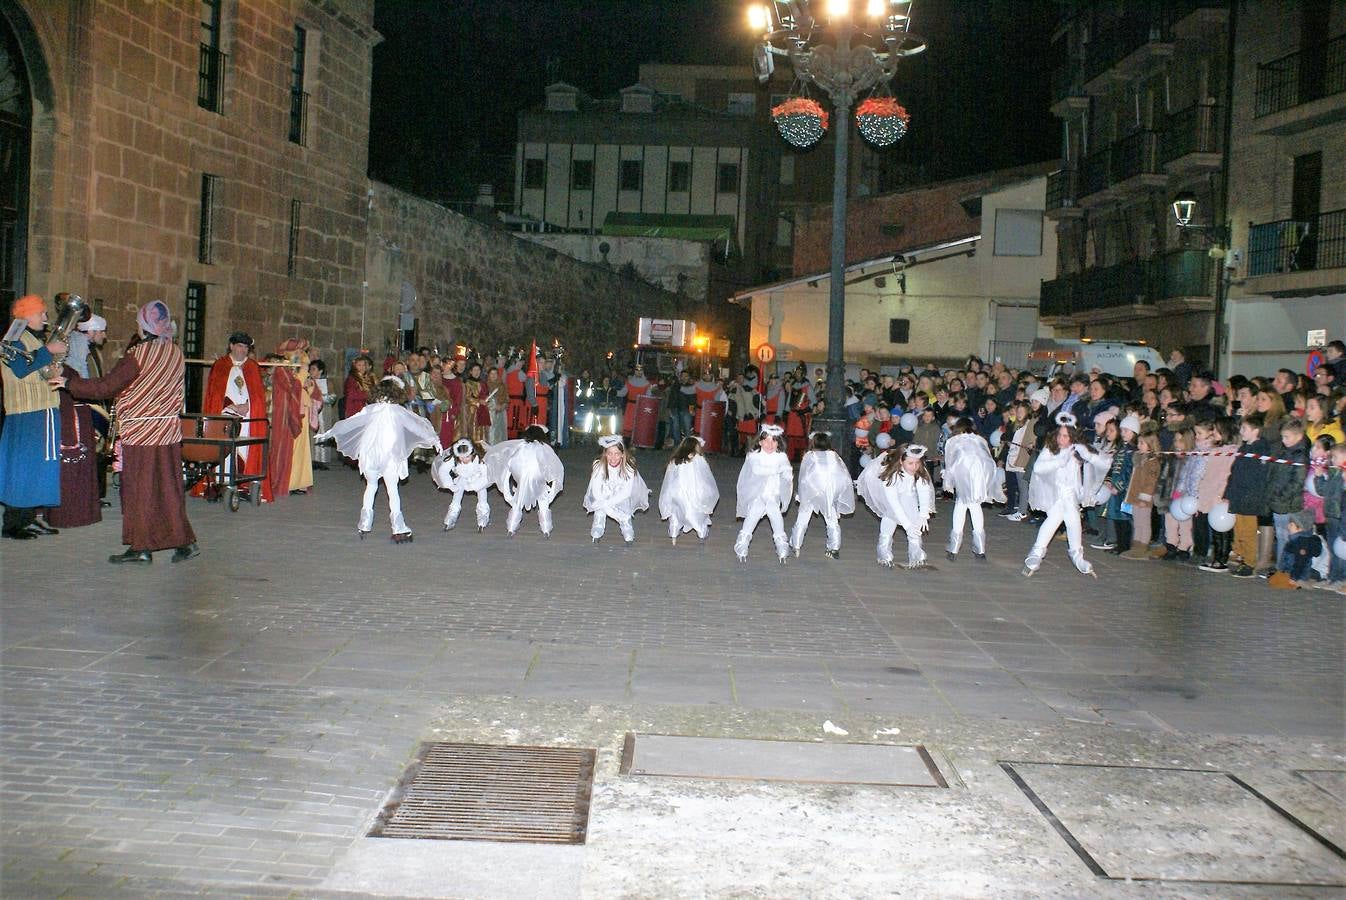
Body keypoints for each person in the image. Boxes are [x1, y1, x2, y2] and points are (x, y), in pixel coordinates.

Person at [56, 300, 198, 564]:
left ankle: (141, 547)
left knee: (139, 490)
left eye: (138, 322)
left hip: (142, 433)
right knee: (169, 489)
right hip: (167, 431)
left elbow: (106, 387)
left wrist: (68, 382)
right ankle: (185, 542)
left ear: (145, 325)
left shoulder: (138, 355)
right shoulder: (176, 352)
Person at [316, 375, 441, 544]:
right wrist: (434, 440)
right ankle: (398, 528)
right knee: (392, 490)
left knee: (371, 485)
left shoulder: (372, 409)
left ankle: (365, 523)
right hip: (390, 453)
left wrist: (330, 432)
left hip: (371, 453)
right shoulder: (398, 411)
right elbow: (417, 426)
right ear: (396, 393)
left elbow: (351, 422)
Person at [0, 295, 65, 539]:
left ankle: (26, 520)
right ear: (28, 315)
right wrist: (49, 350)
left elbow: (36, 369)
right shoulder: (14, 337)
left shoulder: (28, 337)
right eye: (42, 314)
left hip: (37, 410)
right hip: (29, 413)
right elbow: (19, 368)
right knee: (24, 469)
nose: (46, 319)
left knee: (34, 468)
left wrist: (54, 368)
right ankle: (14, 525)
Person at [1021, 412, 1111, 578]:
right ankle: (1037, 553)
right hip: (1055, 494)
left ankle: (1076, 556)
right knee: (1054, 519)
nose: (1062, 439)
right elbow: (1039, 468)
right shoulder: (1051, 449)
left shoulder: (1077, 451)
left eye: (1066, 436)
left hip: (1070, 495)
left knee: (1073, 520)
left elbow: (1104, 462)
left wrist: (1088, 455)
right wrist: (1058, 461)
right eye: (1060, 435)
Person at [199, 332, 270, 503]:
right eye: (239, 346)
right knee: (225, 450)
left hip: (247, 417)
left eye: (246, 347)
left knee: (245, 447)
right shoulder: (220, 365)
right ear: (231, 346)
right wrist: (229, 405)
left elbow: (258, 396)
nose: (242, 350)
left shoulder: (252, 366)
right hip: (225, 415)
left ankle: (243, 484)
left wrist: (248, 405)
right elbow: (214, 394)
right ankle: (222, 483)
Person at [857, 443, 936, 569]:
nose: (914, 466)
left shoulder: (919, 472)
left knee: (915, 524)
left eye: (917, 463)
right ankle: (884, 553)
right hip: (892, 503)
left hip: (909, 498)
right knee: (890, 521)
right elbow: (894, 503)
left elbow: (924, 492)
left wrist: (923, 515)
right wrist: (907, 525)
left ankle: (916, 553)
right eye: (910, 463)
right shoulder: (890, 476)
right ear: (901, 461)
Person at [942, 418, 1003, 562]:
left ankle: (954, 547)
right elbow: (988, 458)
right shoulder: (980, 440)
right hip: (979, 474)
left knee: (962, 505)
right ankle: (980, 549)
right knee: (975, 506)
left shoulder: (954, 441)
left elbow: (950, 461)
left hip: (963, 472)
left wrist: (948, 481)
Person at [489, 423, 565, 537]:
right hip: (538, 476)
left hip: (522, 476)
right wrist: (552, 482)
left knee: (518, 501)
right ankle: (546, 528)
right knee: (543, 499)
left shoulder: (520, 446)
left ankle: (511, 527)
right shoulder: (544, 447)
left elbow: (510, 462)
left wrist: (512, 478)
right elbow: (554, 466)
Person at [789, 431, 855, 560]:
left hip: (812, 490)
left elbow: (803, 475)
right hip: (828, 491)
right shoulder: (834, 455)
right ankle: (834, 548)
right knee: (831, 519)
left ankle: (795, 544)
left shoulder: (810, 455)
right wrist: (837, 492)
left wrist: (801, 495)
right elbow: (842, 473)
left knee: (803, 517)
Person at [733, 422, 793, 564]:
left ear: (778, 443)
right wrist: (777, 470)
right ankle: (742, 544)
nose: (769, 444)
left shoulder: (781, 457)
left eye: (773, 441)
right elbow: (758, 471)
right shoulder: (754, 456)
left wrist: (787, 473)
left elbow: (787, 475)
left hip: (773, 494)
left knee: (774, 512)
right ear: (760, 442)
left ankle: (781, 545)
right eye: (766, 441)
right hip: (756, 494)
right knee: (755, 510)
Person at [583, 434, 649, 545]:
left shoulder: (628, 468)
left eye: (617, 454)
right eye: (610, 454)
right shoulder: (599, 467)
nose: (613, 458)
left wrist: (610, 505)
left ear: (622, 455)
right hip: (603, 495)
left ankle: (625, 523)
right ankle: (598, 524)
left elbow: (626, 492)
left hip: (620, 496)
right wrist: (604, 504)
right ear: (605, 454)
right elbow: (596, 490)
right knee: (599, 508)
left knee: (624, 510)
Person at [658, 435, 719, 545]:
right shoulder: (698, 459)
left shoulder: (675, 460)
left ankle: (674, 532)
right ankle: (701, 532)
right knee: (696, 512)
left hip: (676, 492)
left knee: (675, 512)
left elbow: (669, 479)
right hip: (693, 491)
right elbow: (705, 477)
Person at [432, 437, 492, 532]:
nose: (464, 459)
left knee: (482, 490)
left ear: (472, 453)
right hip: (462, 479)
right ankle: (453, 511)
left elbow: (486, 477)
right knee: (459, 485)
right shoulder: (454, 459)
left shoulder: (480, 460)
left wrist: (474, 486)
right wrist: (450, 484)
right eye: (461, 457)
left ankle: (483, 512)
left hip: (478, 479)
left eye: (467, 457)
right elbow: (443, 470)